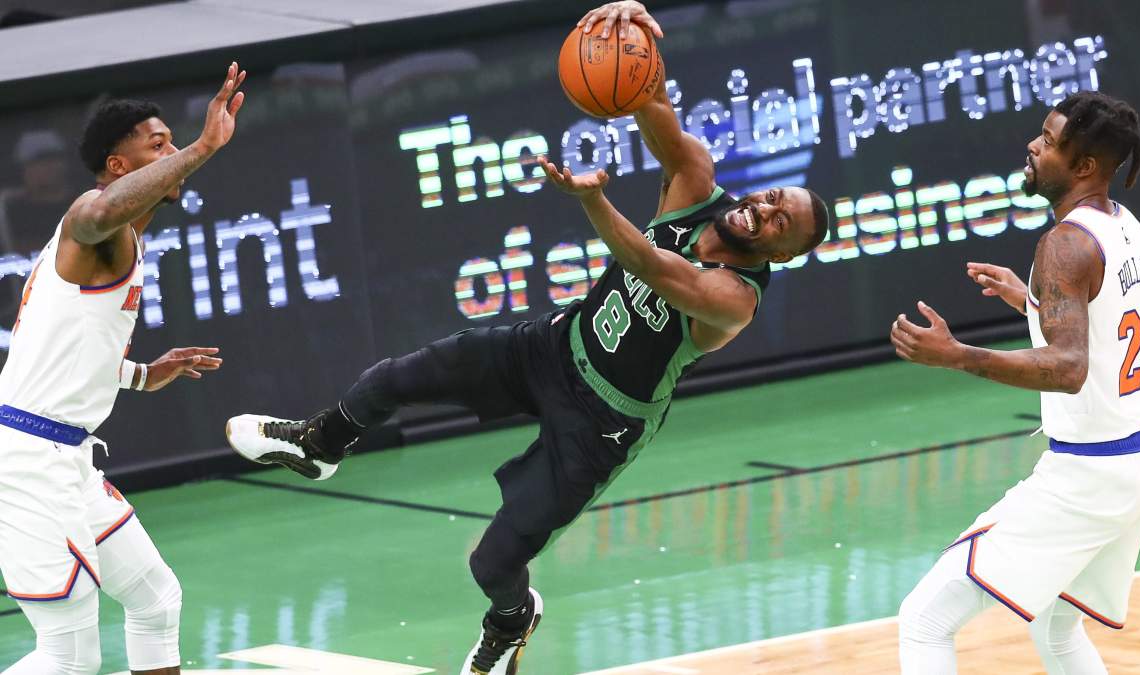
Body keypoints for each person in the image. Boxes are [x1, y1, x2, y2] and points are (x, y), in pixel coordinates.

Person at [226, 2, 828, 672]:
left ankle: (512, 620)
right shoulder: (696, 181)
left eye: (781, 224)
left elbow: (652, 266)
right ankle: (319, 444)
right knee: (396, 376)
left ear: (783, 254)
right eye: (774, 198)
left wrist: (593, 199)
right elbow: (650, 97)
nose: (765, 210)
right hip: (555, 346)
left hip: (602, 422)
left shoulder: (735, 299)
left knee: (493, 562)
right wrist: (629, 25)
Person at [891, 91, 1140, 674]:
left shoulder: (1066, 244)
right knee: (1057, 626)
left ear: (1084, 165)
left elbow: (1069, 369)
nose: (1032, 146)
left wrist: (956, 355)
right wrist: (1036, 303)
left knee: (924, 620)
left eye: (1047, 141)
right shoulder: (1127, 227)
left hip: (1091, 475)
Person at [0, 63, 244, 675]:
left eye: (173, 143)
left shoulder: (124, 242)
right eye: (158, 146)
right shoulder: (90, 220)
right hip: (27, 465)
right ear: (118, 165)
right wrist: (202, 148)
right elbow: (99, 210)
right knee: (68, 656)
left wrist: (141, 374)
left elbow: (67, 353)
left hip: (69, 458)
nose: (173, 155)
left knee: (157, 599)